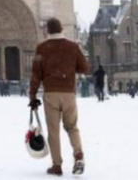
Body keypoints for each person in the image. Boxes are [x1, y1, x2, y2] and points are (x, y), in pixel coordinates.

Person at [29, 18, 89, 177]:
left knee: (53, 131)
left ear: (47, 30)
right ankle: (78, 154)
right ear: (61, 28)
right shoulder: (72, 46)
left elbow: (36, 74)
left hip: (51, 94)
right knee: (72, 126)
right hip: (69, 93)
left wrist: (32, 95)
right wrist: (69, 68)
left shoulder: (41, 48)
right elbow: (85, 67)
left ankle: (57, 165)